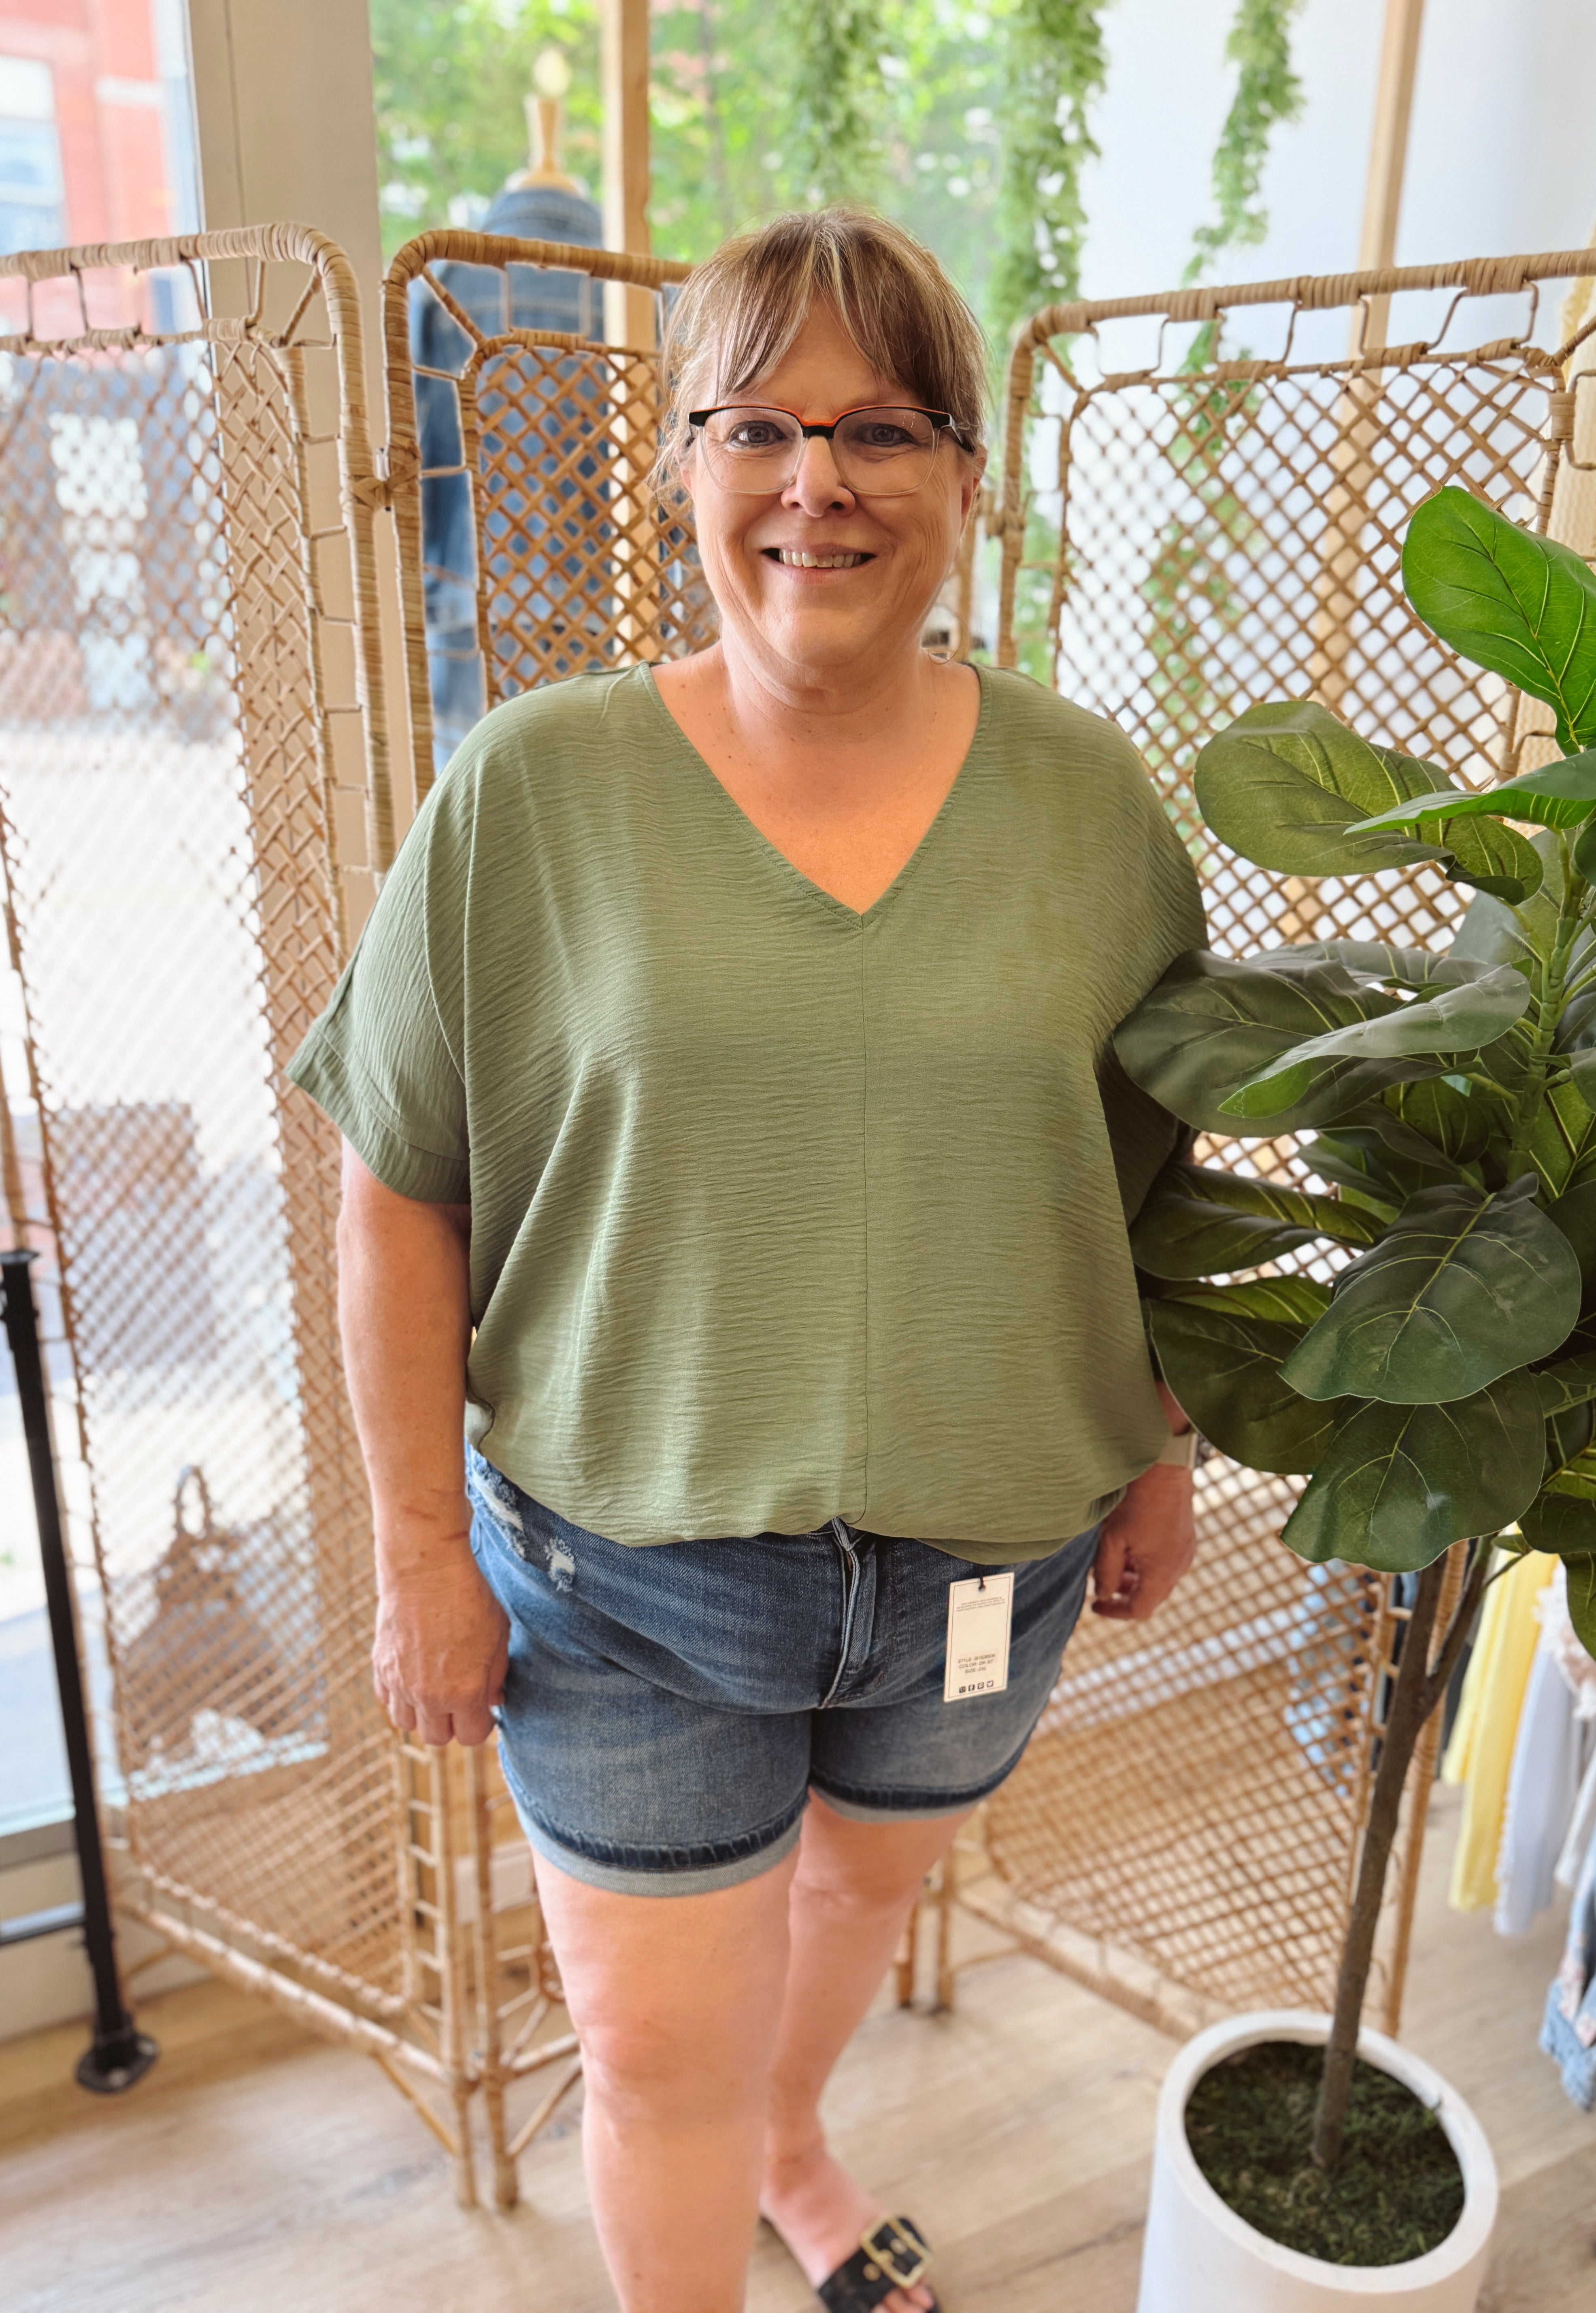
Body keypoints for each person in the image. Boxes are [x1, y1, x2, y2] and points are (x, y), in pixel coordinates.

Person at [291, 206, 1205, 2313]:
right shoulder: (532, 795)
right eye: (759, 426)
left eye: (883, 427)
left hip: (990, 1566)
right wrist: (417, 1543)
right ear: (682, 466)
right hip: (629, 1588)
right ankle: (734, 2171)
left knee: (853, 1918)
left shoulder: (1089, 807)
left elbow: (1150, 1181)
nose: (819, 481)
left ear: (968, 479)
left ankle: (800, 2137)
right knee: (653, 2061)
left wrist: (1160, 1441)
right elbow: (394, 1185)